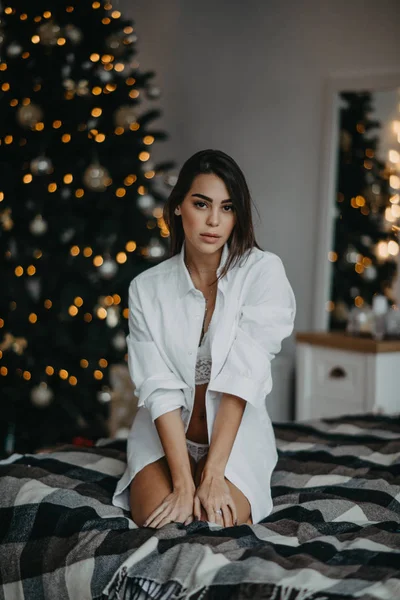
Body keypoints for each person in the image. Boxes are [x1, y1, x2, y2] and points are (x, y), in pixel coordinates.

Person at [112, 149, 296, 528]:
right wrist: (182, 482)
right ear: (179, 206)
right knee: (158, 524)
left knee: (214, 527)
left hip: (235, 443)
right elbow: (158, 388)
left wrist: (212, 474)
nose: (214, 221)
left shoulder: (263, 273)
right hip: (164, 442)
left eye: (227, 208)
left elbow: (243, 378)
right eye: (202, 204)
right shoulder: (146, 288)